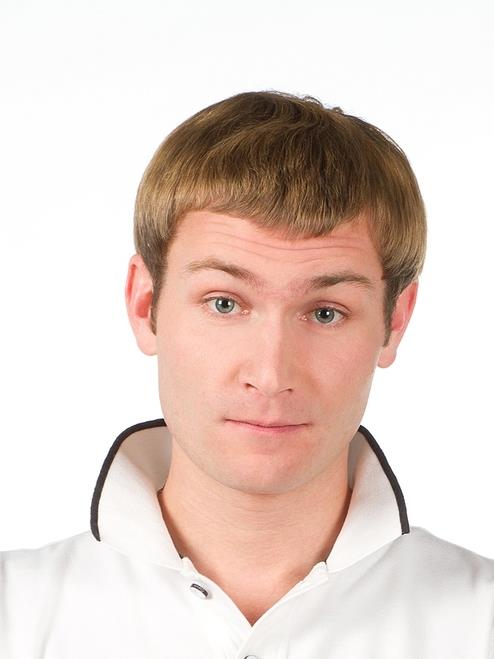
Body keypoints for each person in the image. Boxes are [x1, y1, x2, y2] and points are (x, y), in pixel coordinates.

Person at [1, 90, 493, 658]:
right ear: (145, 305)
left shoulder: (480, 623)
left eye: (325, 312)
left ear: (394, 322)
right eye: (224, 303)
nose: (270, 373)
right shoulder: (13, 615)